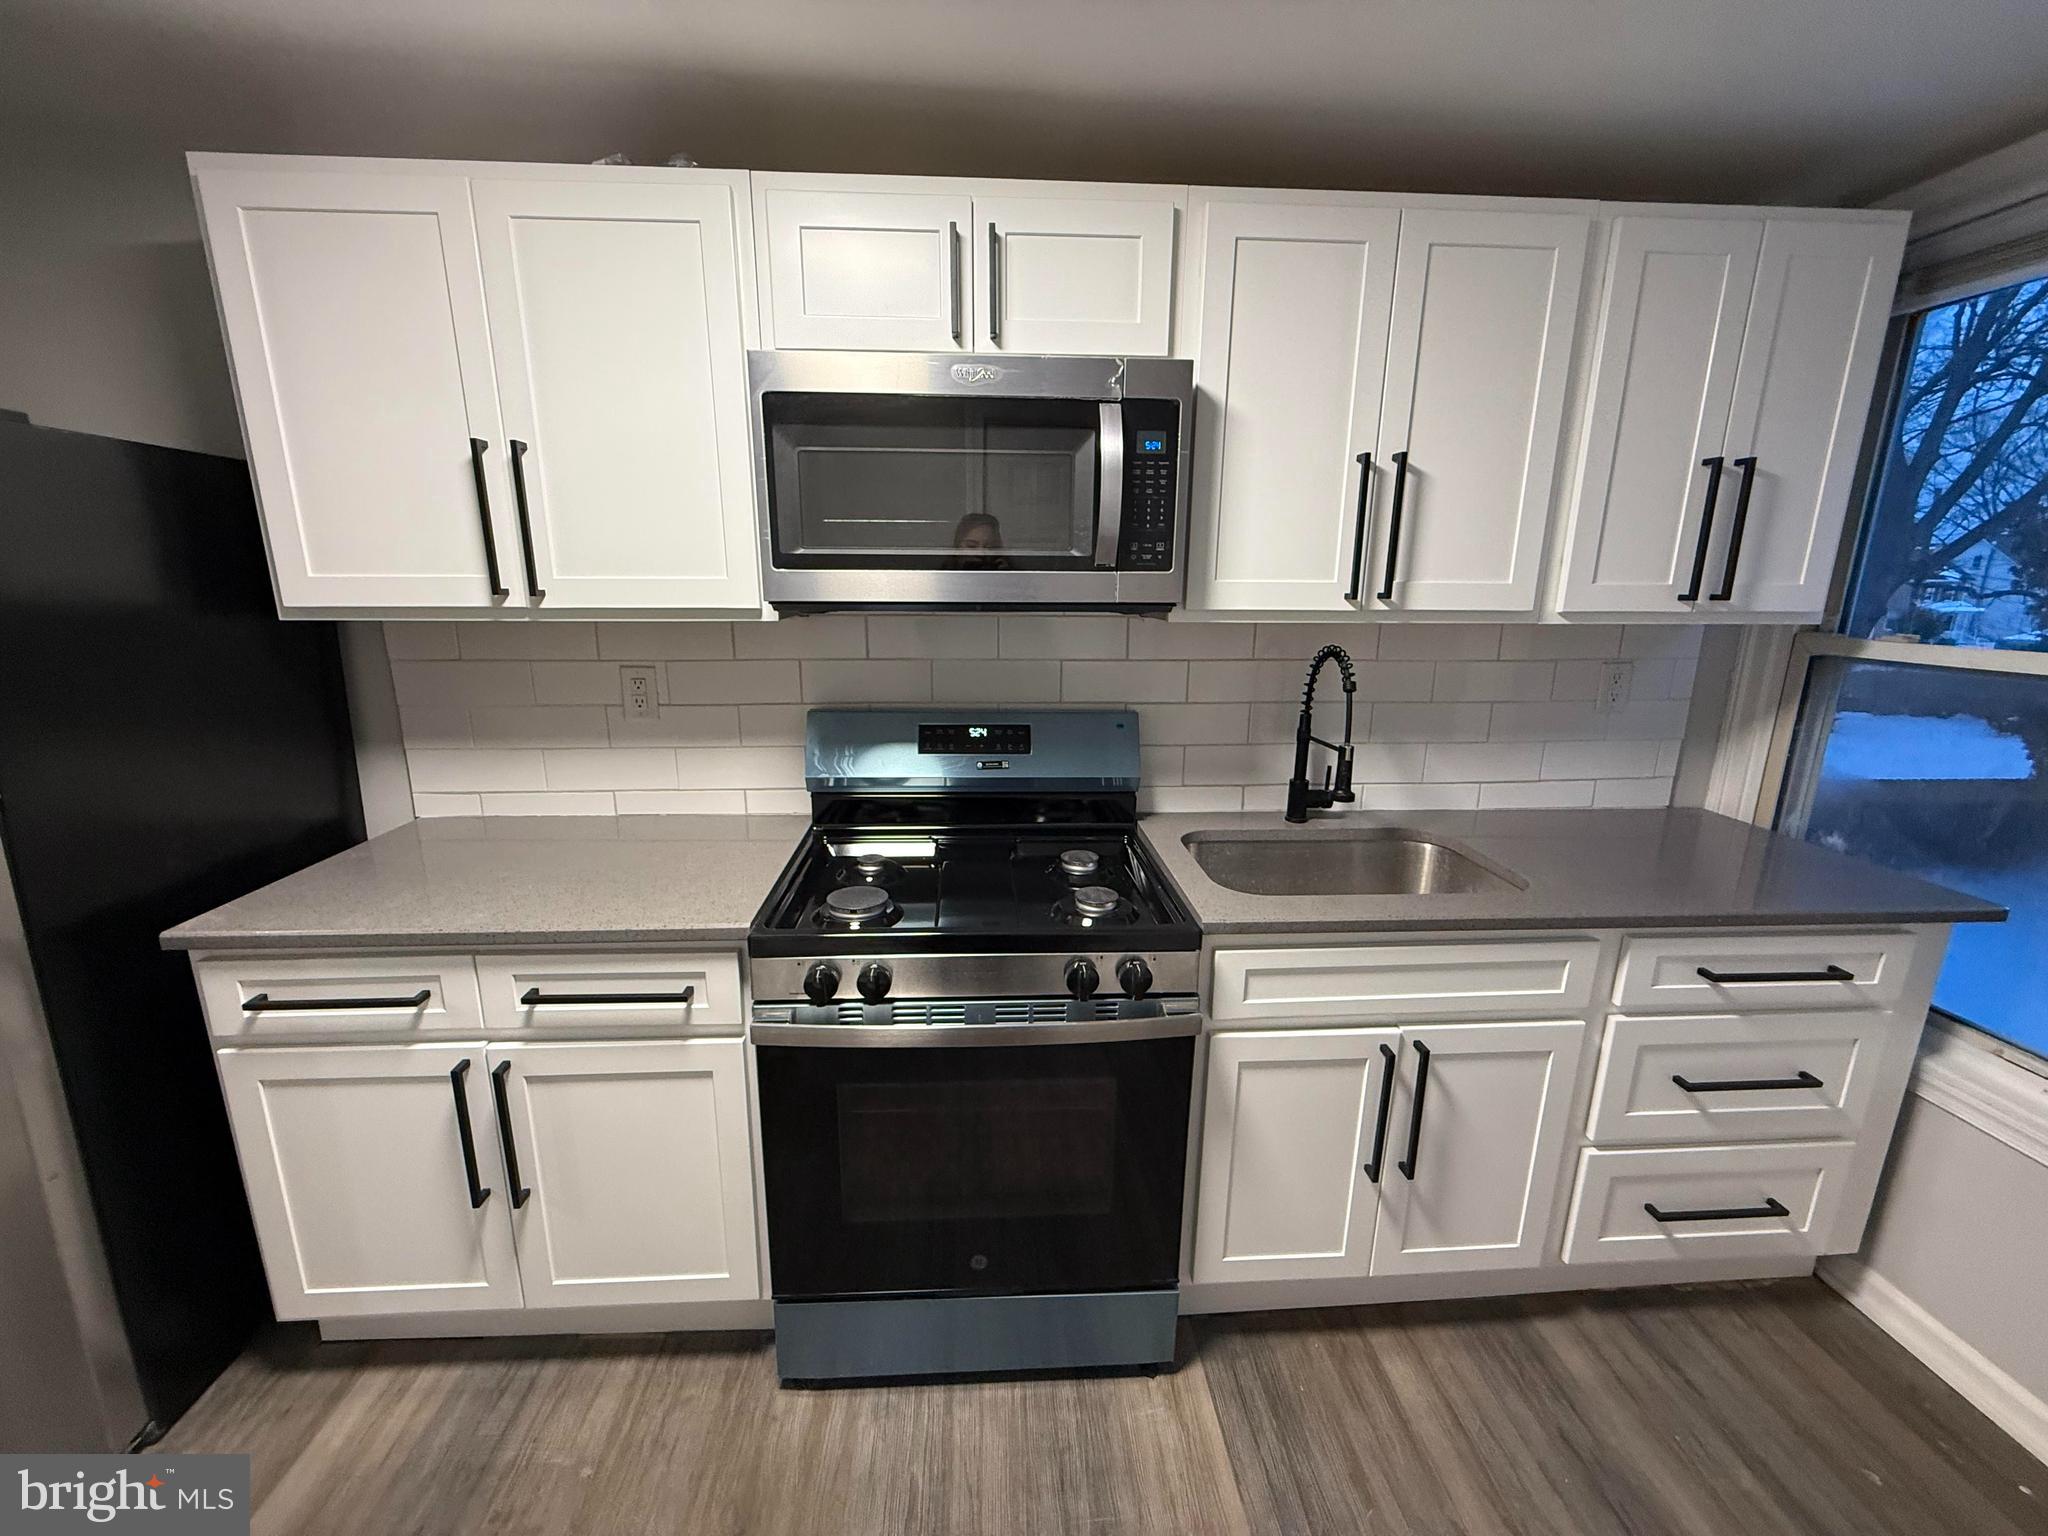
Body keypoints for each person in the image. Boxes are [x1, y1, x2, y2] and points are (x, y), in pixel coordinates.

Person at [944, 512, 1010, 570]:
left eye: (989, 547)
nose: (981, 553)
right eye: (971, 546)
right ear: (958, 546)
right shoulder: (943, 574)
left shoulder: (1003, 570)